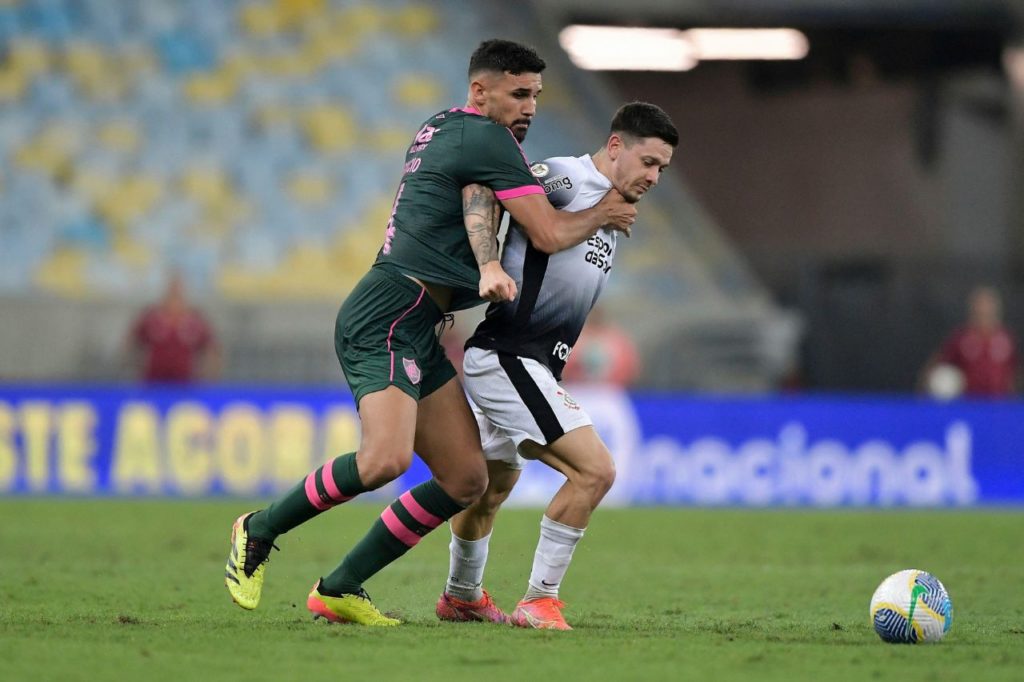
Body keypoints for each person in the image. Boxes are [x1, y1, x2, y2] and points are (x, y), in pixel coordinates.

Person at [224, 39, 637, 626]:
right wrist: (604, 211)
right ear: (480, 91)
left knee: (466, 478)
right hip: (389, 310)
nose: (529, 108)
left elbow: (475, 196)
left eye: (536, 96)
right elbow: (545, 233)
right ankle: (257, 528)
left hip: (421, 321)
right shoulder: (487, 137)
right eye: (518, 94)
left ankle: (340, 587)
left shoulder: (450, 129)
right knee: (384, 460)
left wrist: (489, 264)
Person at [434, 102, 678, 629]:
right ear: (615, 146)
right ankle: (538, 600)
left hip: (532, 362)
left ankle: (460, 595)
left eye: (663, 168)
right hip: (507, 356)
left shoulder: (612, 209)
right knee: (596, 471)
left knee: (491, 484)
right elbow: (492, 196)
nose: (655, 177)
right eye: (649, 162)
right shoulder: (566, 177)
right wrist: (488, 263)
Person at [922, 285, 1018, 398]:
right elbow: (938, 363)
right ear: (972, 310)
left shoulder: (1006, 339)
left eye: (988, 309)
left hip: (998, 405)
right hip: (969, 405)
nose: (984, 312)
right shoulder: (961, 338)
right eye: (980, 309)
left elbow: (1014, 372)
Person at [126, 273, 220, 383]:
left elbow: (211, 347)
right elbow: (132, 341)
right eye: (172, 287)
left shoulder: (195, 319)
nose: (175, 291)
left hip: (185, 382)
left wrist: (208, 374)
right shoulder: (151, 317)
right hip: (153, 382)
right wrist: (134, 369)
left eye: (178, 288)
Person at [561, 305, 640, 387]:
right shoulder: (573, 336)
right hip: (577, 388)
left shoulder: (617, 340)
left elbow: (630, 368)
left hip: (609, 390)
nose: (595, 317)